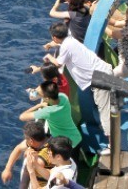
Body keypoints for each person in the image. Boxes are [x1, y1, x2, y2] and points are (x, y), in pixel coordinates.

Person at [43, 22, 112, 154]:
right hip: (104, 70)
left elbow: (58, 63)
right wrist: (53, 44)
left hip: (98, 79)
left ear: (55, 37)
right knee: (121, 92)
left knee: (105, 112)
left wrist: (49, 56)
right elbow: (63, 45)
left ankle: (112, 146)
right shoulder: (70, 39)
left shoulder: (65, 48)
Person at [19, 81, 82, 149]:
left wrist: (38, 105)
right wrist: (38, 91)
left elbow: (22, 117)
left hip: (66, 144)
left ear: (47, 98)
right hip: (76, 136)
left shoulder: (48, 112)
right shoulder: (63, 97)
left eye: (41, 95)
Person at [1, 121, 53, 188]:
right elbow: (18, 148)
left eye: (26, 138)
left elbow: (27, 174)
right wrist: (7, 169)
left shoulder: (44, 155)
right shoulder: (44, 138)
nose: (26, 140)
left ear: (31, 141)